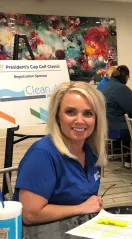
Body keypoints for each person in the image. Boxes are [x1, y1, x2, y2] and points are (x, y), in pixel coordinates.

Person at [13, 82, 107, 225]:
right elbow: (30, 214)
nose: (80, 120)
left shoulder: (91, 152)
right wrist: (81, 208)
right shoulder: (42, 155)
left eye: (88, 113)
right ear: (57, 116)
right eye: (70, 112)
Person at [100, 65, 132, 166]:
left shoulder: (105, 86)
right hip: (116, 131)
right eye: (128, 77)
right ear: (125, 76)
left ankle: (130, 158)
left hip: (105, 130)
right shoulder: (122, 88)